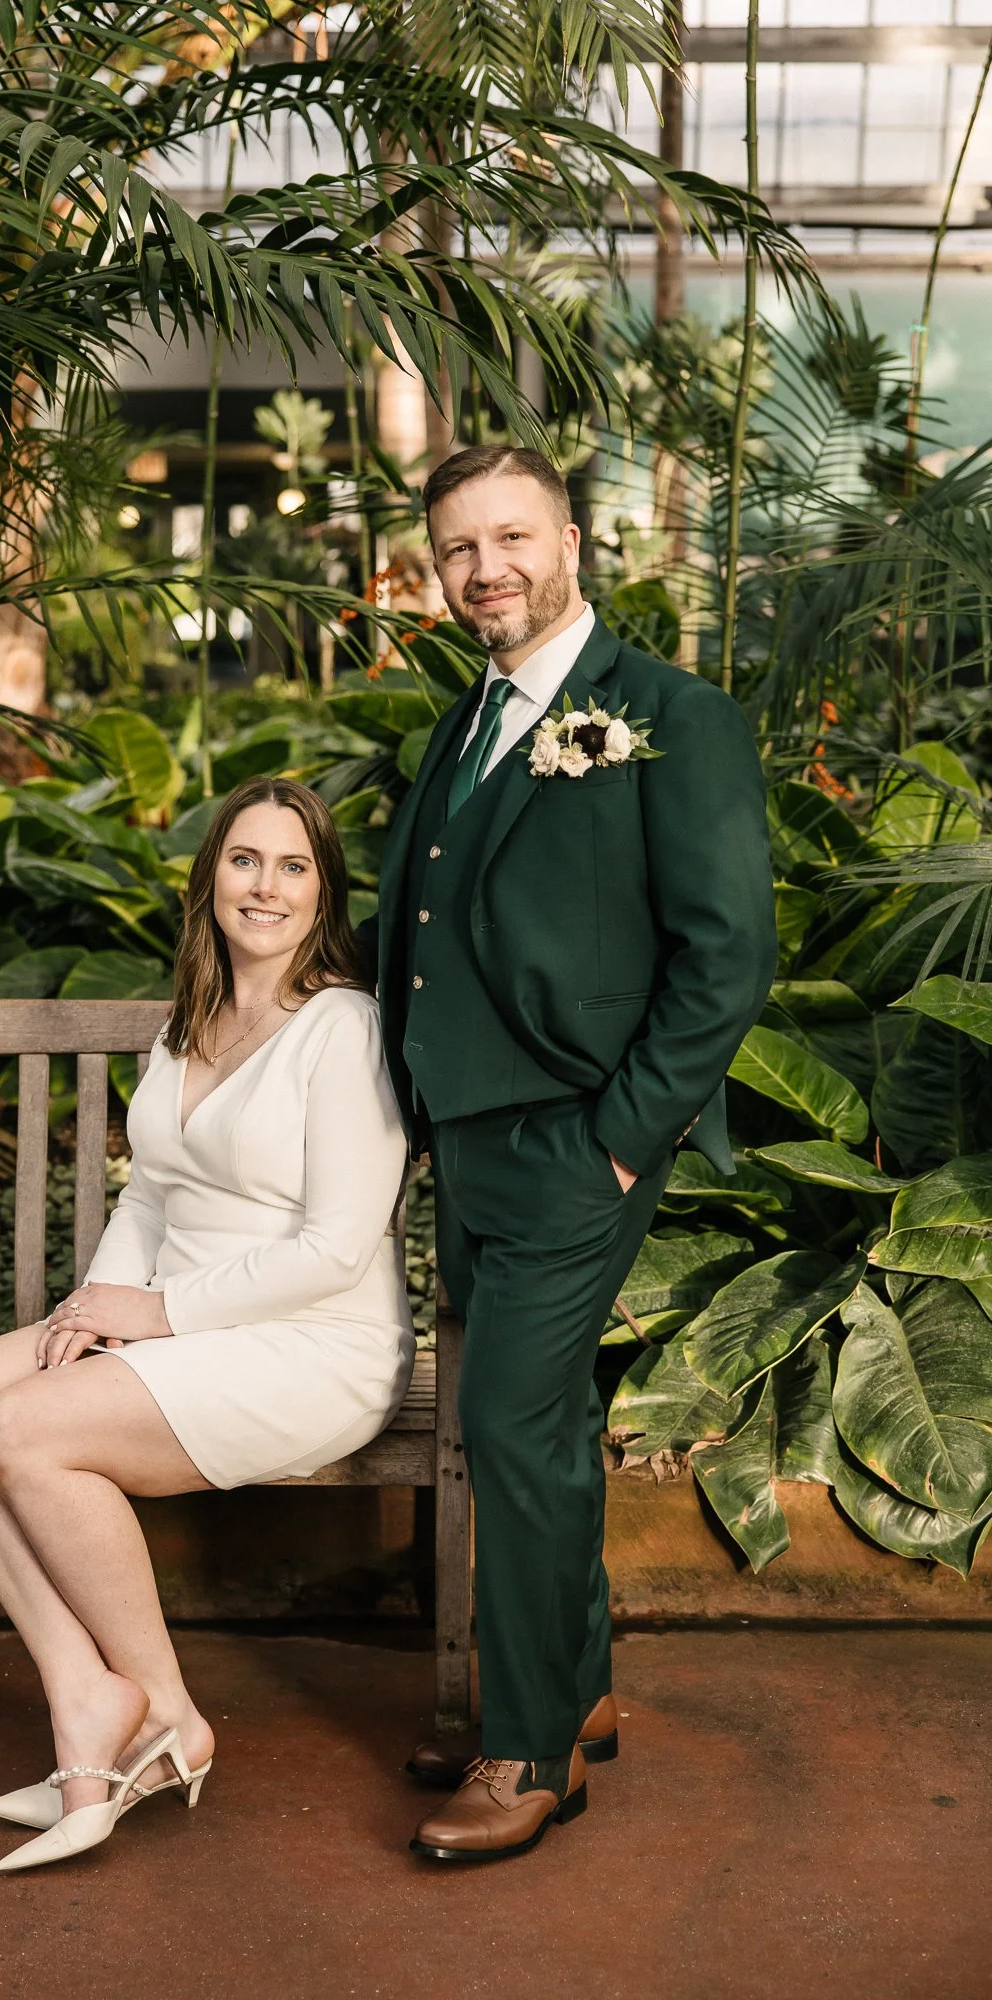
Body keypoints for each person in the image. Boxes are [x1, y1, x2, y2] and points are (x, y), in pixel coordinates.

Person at [375, 444, 777, 1864]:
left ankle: (531, 1748)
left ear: (570, 543)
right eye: (458, 548)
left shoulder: (674, 716)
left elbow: (726, 956)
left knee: (503, 1423)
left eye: (511, 538)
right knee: (535, 1428)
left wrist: (619, 1140)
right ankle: (577, 1682)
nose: (484, 569)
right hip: (467, 1136)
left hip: (573, 1139)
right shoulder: (468, 720)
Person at [0, 777, 413, 1873]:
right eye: (244, 859)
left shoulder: (343, 1027)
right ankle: (83, 1691)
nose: (266, 886)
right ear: (210, 878)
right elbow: (148, 1195)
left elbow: (336, 1248)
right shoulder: (190, 1019)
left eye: (293, 866)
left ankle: (168, 1716)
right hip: (175, 1320)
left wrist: (154, 1312)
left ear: (323, 891)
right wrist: (99, 1314)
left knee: (24, 1427)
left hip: (313, 1341)